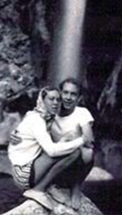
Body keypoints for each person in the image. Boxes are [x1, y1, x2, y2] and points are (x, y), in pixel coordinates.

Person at [7, 86, 90, 210]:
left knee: (70, 146)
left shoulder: (45, 118)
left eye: (58, 100)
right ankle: (38, 190)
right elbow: (51, 150)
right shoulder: (36, 119)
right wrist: (82, 140)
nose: (55, 103)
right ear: (43, 100)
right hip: (23, 173)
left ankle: (50, 186)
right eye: (51, 99)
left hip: (30, 166)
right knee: (73, 153)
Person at [50, 77, 95, 210]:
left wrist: (72, 140)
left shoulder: (82, 113)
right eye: (65, 93)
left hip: (72, 160)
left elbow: (89, 138)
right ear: (60, 94)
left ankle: (76, 188)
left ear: (79, 98)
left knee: (89, 152)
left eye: (73, 94)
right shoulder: (50, 111)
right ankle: (49, 186)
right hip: (51, 159)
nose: (68, 97)